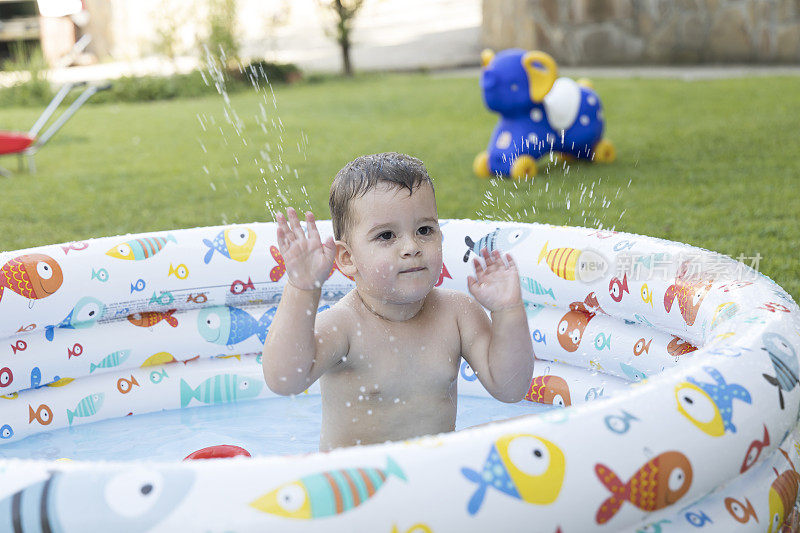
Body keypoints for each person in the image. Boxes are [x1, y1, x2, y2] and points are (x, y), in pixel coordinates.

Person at [262, 152, 534, 451]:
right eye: (386, 235)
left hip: (434, 474)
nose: (411, 247)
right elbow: (283, 380)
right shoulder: (345, 325)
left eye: (424, 230)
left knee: (524, 433)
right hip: (359, 484)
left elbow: (511, 389)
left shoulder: (457, 314)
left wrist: (508, 311)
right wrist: (302, 288)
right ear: (348, 259)